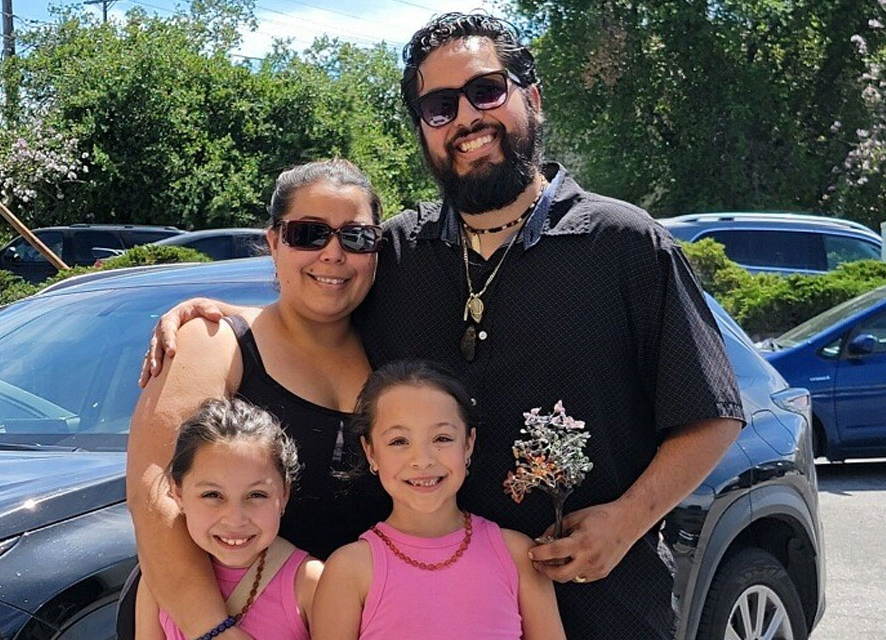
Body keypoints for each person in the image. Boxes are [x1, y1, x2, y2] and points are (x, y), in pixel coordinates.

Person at [140, 13, 745, 640]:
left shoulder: (623, 244)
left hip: (604, 603)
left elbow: (714, 412)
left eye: (486, 90)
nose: (466, 118)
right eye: (439, 106)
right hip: (426, 611)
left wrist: (625, 520)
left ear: (530, 97)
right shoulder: (400, 251)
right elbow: (317, 307)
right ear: (424, 131)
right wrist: (219, 316)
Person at [127, 159, 390, 640]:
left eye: (355, 237)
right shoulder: (215, 343)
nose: (332, 253)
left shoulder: (394, 360)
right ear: (273, 242)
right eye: (308, 233)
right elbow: (154, 494)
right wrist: (216, 631)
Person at [312, 360, 566, 640]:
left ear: (468, 444)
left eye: (442, 438)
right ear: (370, 451)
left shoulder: (518, 555)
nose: (422, 460)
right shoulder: (349, 570)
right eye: (399, 441)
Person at [135, 397, 320, 640]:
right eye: (212, 495)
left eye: (256, 495)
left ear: (284, 494)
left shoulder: (311, 583)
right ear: (177, 493)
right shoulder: (158, 580)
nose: (235, 519)